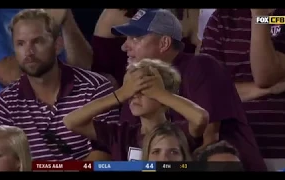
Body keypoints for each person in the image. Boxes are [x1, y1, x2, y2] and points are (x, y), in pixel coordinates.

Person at [111, 8, 265, 171]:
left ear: (164, 43)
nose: (124, 47)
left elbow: (210, 138)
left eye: (136, 38)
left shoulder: (200, 67)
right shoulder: (137, 82)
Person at [0, 9, 119, 161]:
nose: (28, 52)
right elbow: (7, 163)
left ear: (57, 45)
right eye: (20, 44)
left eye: (37, 41)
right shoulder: (5, 103)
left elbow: (104, 154)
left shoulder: (95, 88)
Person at [200, 8, 285, 170]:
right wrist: (265, 90)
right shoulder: (223, 18)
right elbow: (209, 93)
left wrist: (259, 17)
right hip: (236, 153)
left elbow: (265, 75)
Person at [0, 8, 92, 142]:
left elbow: (84, 68)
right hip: (8, 132)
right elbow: (10, 74)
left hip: (64, 119)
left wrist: (67, 19)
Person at [63, 58, 209, 161]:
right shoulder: (121, 134)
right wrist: (120, 94)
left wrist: (161, 94)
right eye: (130, 88)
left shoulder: (180, 132)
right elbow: (71, 121)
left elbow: (200, 118)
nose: (134, 95)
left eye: (142, 88)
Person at [91, 8, 200, 87]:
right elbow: (99, 69)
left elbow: (198, 49)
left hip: (180, 84)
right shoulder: (114, 14)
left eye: (135, 37)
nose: (124, 46)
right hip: (133, 88)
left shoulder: (189, 13)